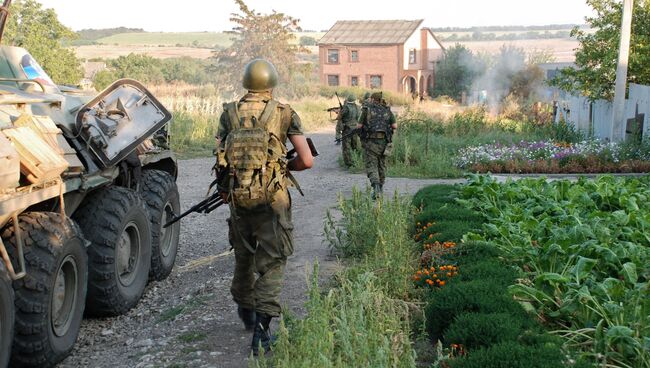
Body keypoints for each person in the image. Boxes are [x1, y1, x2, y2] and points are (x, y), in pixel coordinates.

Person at [214, 59, 313, 355]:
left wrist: (225, 190)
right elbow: (307, 160)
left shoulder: (229, 113)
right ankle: (261, 330)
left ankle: (245, 307)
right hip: (273, 200)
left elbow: (219, 158)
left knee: (244, 254)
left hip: (238, 197)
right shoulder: (283, 112)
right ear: (271, 83)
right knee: (272, 262)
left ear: (246, 82)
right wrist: (284, 169)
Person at [356, 91, 396, 199]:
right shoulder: (387, 110)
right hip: (384, 143)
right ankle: (381, 188)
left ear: (373, 99)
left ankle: (376, 187)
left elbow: (359, 126)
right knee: (382, 165)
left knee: (372, 165)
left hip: (370, 143)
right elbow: (394, 125)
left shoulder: (366, 109)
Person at [337, 94, 360, 167]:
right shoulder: (358, 107)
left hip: (347, 129)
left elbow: (339, 117)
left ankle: (348, 163)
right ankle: (356, 160)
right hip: (355, 129)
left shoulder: (346, 107)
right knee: (354, 146)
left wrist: (339, 112)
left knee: (346, 147)